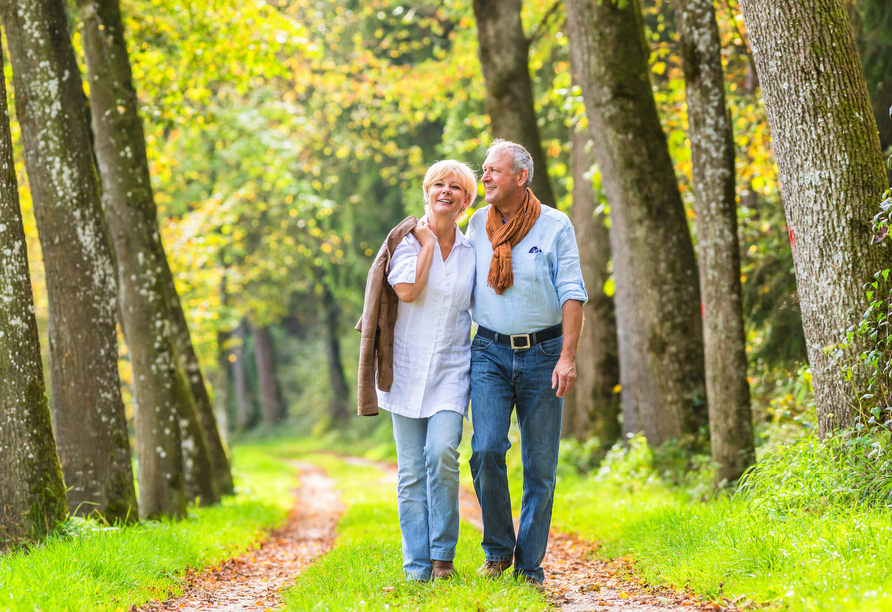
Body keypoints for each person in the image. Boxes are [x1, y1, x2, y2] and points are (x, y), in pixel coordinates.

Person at [466, 140, 587, 589]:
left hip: (543, 355)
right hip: (490, 353)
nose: (486, 178)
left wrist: (567, 358)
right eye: (484, 171)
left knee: (540, 467)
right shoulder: (476, 226)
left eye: (494, 171)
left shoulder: (556, 226)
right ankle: (498, 550)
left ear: (520, 177)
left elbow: (573, 292)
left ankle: (529, 566)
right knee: (486, 449)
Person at [375, 160, 478, 581]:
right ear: (426, 192)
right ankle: (416, 568)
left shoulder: (474, 250)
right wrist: (429, 247)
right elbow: (408, 291)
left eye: (456, 187)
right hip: (406, 367)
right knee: (412, 471)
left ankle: (443, 557)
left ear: (467, 200)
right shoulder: (406, 244)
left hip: (452, 368)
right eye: (439, 184)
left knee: (442, 454)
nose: (446, 191)